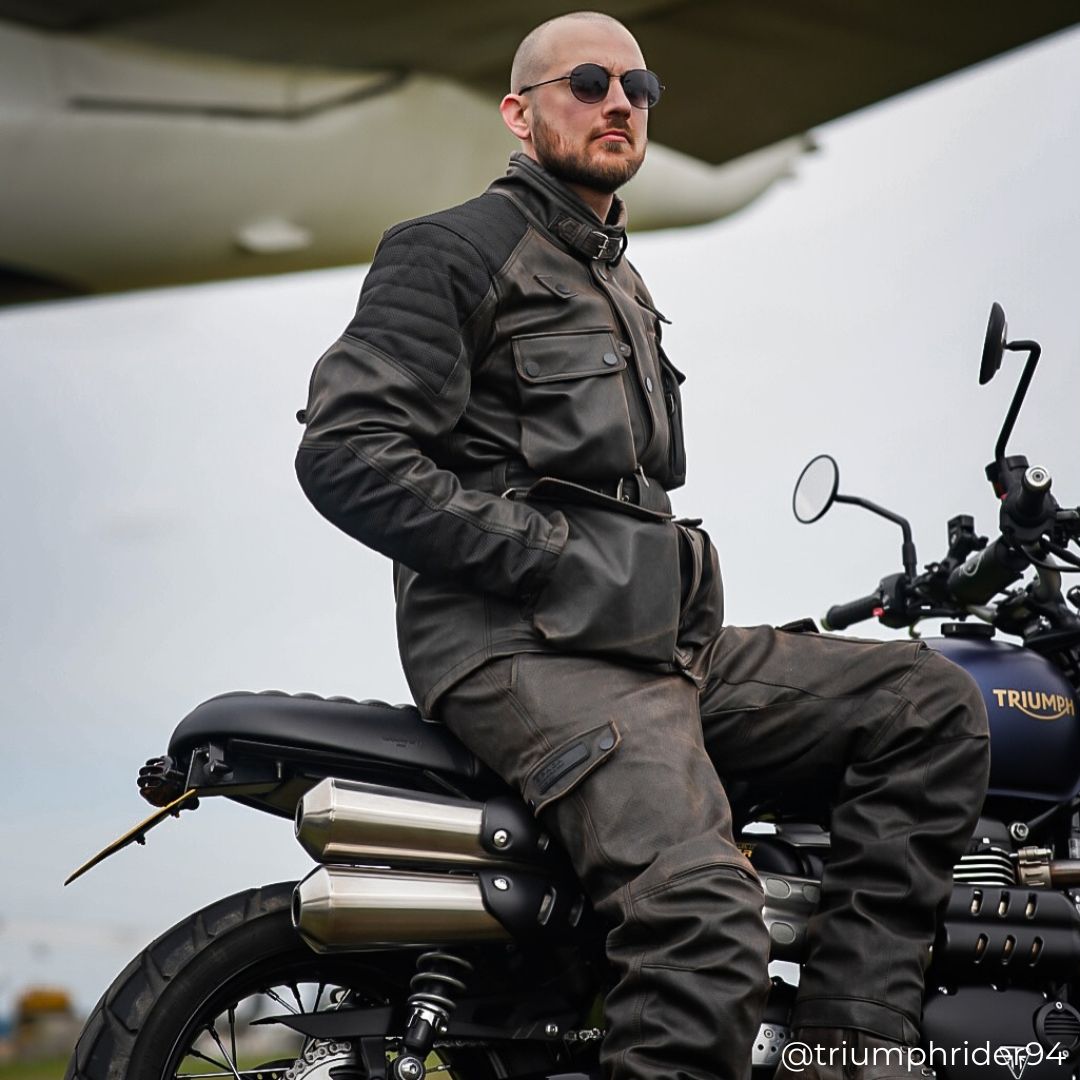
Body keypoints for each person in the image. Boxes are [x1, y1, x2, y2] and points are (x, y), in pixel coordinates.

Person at [295, 11, 990, 1080]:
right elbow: (348, 456)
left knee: (931, 702)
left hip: (656, 643)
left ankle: (852, 1036)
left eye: (638, 84)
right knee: (707, 923)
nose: (620, 100)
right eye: (585, 82)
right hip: (526, 648)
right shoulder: (452, 250)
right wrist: (546, 558)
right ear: (520, 114)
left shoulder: (617, 278)